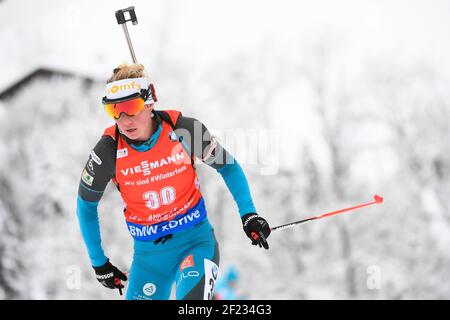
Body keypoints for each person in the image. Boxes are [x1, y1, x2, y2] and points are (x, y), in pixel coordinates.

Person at [76, 63, 271, 300]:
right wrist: (99, 263)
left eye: (132, 107)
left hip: (195, 244)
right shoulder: (108, 149)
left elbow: (228, 166)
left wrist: (248, 214)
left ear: (150, 103)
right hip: (148, 260)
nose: (125, 118)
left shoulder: (183, 130)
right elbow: (86, 206)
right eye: (114, 110)